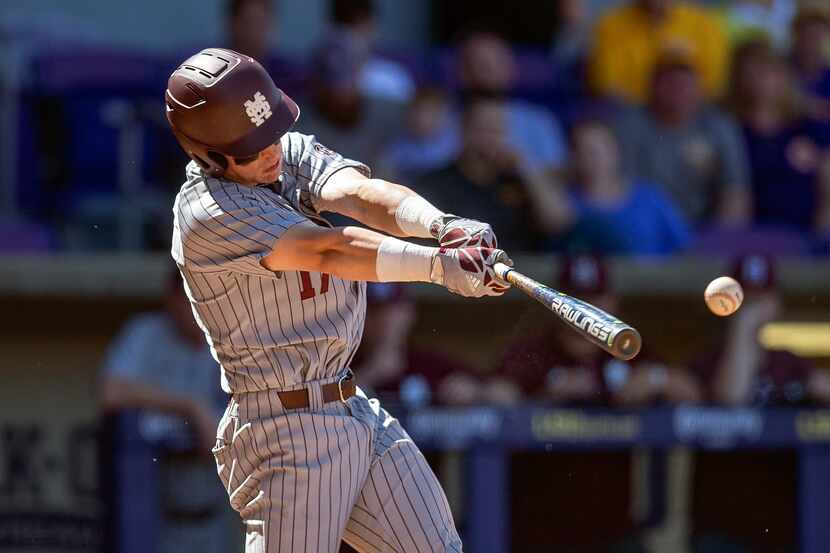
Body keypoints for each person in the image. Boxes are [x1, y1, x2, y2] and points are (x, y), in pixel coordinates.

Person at [165, 47, 513, 552]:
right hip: (284, 429)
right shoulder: (208, 212)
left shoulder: (279, 153)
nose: (271, 152)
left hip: (352, 406)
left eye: (273, 134)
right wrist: (437, 267)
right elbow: (330, 249)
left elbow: (358, 193)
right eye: (251, 146)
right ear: (209, 155)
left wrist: (443, 226)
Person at [690, 255, 830, 553]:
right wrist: (744, 326)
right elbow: (732, 399)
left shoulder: (790, 363)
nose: (752, 308)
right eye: (743, 298)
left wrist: (807, 389)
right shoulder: (707, 362)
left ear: (776, 302)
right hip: (722, 523)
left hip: (785, 518)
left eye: (760, 298)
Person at [100, 268, 231, 553]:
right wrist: (191, 407)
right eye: (193, 300)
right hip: (159, 521)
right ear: (173, 299)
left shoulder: (226, 341)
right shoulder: (146, 333)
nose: (202, 311)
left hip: (214, 519)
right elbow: (111, 392)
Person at [493, 255, 701, 406]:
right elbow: (497, 396)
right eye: (575, 298)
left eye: (594, 298)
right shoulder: (534, 351)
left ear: (612, 302)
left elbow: (693, 393)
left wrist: (656, 378)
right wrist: (545, 398)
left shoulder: (628, 346)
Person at [413, 97, 571, 252]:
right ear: (464, 131)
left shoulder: (520, 180)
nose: (493, 139)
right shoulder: (435, 184)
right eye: (484, 129)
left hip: (519, 269)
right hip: (460, 269)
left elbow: (558, 223)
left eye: (498, 130)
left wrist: (526, 167)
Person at [615, 51, 752, 225]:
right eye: (670, 84)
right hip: (644, 228)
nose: (678, 92)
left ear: (701, 90)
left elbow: (736, 191)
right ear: (653, 87)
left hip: (704, 228)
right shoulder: (630, 125)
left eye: (686, 85)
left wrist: (720, 240)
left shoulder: (719, 126)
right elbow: (619, 190)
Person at [728, 38, 830, 233]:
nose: (761, 81)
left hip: (805, 236)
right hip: (750, 236)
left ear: (784, 77)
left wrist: (823, 235)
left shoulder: (806, 126)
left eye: (768, 73)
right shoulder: (730, 129)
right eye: (752, 73)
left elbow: (827, 184)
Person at [552, 117, 691, 255]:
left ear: (616, 152)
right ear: (574, 158)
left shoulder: (650, 198)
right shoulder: (565, 205)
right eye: (585, 152)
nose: (594, 159)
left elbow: (684, 250)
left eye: (600, 151)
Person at [351, 282, 482, 409]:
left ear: (408, 313)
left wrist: (475, 391)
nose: (383, 319)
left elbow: (497, 390)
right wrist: (372, 373)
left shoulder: (430, 363)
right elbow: (333, 406)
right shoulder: (343, 363)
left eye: (391, 310)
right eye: (373, 311)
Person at [455, 31, 569, 173]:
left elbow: (557, 178)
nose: (488, 71)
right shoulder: (441, 118)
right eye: (479, 63)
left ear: (511, 68)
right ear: (462, 72)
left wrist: (521, 164)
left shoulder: (539, 121)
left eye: (496, 62)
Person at [294, 29, 404, 171]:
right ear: (316, 84)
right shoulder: (297, 124)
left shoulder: (391, 114)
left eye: (346, 80)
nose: (340, 93)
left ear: (359, 74)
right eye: (331, 84)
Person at [590, 0, 729, 104]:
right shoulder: (610, 26)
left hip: (692, 116)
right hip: (632, 114)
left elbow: (714, 87)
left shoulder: (706, 26)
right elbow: (607, 87)